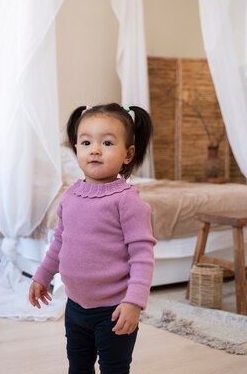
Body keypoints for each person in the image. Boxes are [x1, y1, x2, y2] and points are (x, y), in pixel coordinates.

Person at [29, 103, 156, 374]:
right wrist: (42, 276)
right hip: (75, 306)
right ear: (76, 148)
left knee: (114, 369)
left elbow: (142, 256)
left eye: (107, 143)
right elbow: (59, 242)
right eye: (86, 142)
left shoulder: (127, 201)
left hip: (114, 309)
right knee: (78, 367)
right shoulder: (70, 196)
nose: (95, 149)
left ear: (128, 154)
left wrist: (134, 302)